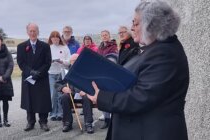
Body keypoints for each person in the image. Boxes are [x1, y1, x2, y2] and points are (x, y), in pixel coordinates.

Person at [88, 1, 189, 140]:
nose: (131, 28)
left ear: (152, 25)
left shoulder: (165, 53)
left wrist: (103, 97)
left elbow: (141, 96)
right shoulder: (154, 48)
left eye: (135, 23)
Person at [17, 23, 52, 132]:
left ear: (38, 32)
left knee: (43, 101)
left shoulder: (45, 46)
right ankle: (30, 122)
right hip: (28, 78)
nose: (33, 33)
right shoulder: (21, 46)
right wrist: (31, 72)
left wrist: (38, 73)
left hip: (41, 77)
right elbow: (20, 62)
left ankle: (43, 122)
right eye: (30, 31)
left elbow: (47, 62)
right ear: (27, 32)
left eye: (34, 31)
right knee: (29, 100)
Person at [55, 54, 94, 134]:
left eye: (77, 60)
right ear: (70, 62)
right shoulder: (65, 71)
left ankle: (88, 123)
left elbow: (91, 83)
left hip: (83, 92)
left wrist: (85, 90)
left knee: (87, 98)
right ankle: (67, 123)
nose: (75, 62)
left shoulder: (86, 71)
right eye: (73, 61)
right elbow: (57, 84)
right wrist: (63, 88)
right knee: (64, 98)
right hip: (71, 93)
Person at [97, 30, 118, 129]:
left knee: (110, 97)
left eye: (106, 35)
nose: (104, 37)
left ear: (109, 36)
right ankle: (106, 119)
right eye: (102, 35)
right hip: (101, 74)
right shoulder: (100, 47)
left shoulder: (113, 46)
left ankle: (113, 120)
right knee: (102, 97)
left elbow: (112, 60)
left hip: (110, 75)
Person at [48, 31, 71, 121]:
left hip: (62, 73)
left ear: (59, 38)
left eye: (56, 37)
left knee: (61, 93)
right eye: (53, 38)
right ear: (51, 39)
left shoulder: (64, 47)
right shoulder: (48, 48)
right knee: (53, 94)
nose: (55, 39)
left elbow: (69, 61)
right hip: (51, 73)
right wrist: (50, 61)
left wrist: (62, 61)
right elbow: (45, 60)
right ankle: (53, 113)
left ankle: (61, 113)